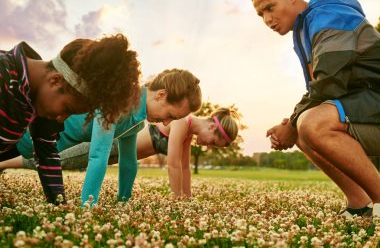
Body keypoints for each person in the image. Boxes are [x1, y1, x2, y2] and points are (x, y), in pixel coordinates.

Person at [249, 0, 380, 218]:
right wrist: (294, 122)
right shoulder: (307, 26)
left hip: (373, 103)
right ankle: (360, 203)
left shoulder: (330, 15)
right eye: (261, 14)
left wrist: (292, 122)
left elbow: (329, 83)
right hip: (368, 107)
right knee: (305, 124)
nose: (268, 19)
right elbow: (321, 90)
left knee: (311, 123)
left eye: (270, 8)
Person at [0, 69, 202, 205]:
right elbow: (98, 156)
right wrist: (88, 205)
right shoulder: (120, 101)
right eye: (170, 116)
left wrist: (123, 200)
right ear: (161, 95)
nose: (166, 124)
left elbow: (129, 162)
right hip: (23, 132)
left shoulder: (138, 120)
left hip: (38, 145)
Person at [0, 34, 141, 204]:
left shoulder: (35, 93)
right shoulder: (4, 78)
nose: (61, 119)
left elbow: (46, 153)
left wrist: (59, 205)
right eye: (67, 109)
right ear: (55, 81)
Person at [3, 107, 240, 198]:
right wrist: (178, 198)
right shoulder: (182, 121)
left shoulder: (189, 131)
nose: (209, 146)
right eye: (214, 143)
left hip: (121, 152)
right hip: (113, 141)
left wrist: (187, 198)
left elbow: (186, 168)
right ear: (212, 127)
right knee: (58, 158)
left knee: (58, 161)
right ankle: (3, 163)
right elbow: (174, 165)